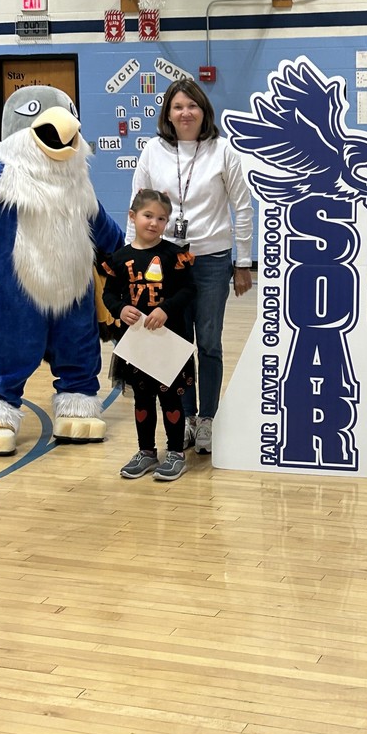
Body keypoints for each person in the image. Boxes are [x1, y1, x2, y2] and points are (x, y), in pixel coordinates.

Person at [127, 78, 254, 455]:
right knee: (175, 343)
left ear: (204, 112)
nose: (185, 113)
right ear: (168, 112)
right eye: (178, 106)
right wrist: (130, 257)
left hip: (212, 260)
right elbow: (137, 204)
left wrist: (243, 261)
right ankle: (182, 418)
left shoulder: (223, 151)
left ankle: (207, 420)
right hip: (163, 263)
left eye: (192, 106)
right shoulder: (152, 150)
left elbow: (242, 206)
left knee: (209, 343)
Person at [103, 189, 196, 482]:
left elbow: (189, 289)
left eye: (161, 218)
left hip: (169, 342)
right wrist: (120, 309)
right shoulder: (120, 258)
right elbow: (108, 293)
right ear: (132, 216)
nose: (154, 223)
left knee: (170, 400)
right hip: (138, 346)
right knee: (141, 399)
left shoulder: (173, 255)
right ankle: (146, 451)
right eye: (148, 216)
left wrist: (166, 309)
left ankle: (176, 453)